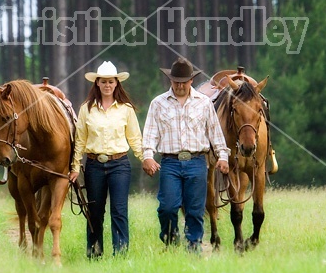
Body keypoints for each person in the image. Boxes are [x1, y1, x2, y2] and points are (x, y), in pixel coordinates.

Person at [142, 57, 229, 252]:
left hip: (197, 161)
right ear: (170, 81)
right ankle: (171, 242)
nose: (180, 85)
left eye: (184, 81)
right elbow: (150, 133)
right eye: (176, 81)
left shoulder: (204, 103)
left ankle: (194, 246)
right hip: (170, 162)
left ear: (191, 81)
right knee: (167, 207)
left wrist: (223, 156)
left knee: (195, 209)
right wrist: (148, 156)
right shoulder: (158, 103)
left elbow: (215, 133)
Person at [70, 61, 143, 258]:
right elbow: (80, 139)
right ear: (97, 84)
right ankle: (95, 252)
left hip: (119, 164)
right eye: (103, 82)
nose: (107, 85)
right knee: (94, 211)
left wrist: (145, 158)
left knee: (119, 210)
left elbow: (135, 137)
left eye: (111, 81)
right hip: (94, 164)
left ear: (117, 83)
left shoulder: (125, 109)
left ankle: (120, 254)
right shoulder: (86, 108)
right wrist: (75, 166)